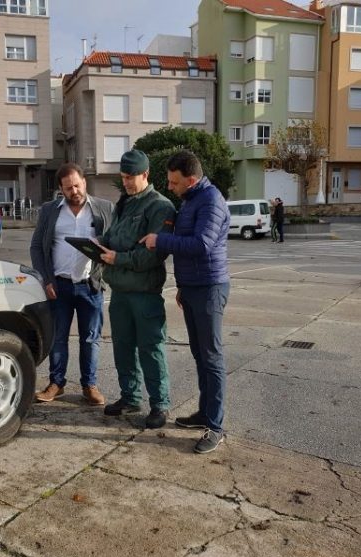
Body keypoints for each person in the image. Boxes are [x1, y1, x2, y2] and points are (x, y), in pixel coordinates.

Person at [140, 150, 230, 454]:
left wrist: (159, 240)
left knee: (212, 357)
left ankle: (215, 426)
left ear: (191, 180)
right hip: (193, 287)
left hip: (209, 288)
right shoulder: (192, 199)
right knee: (200, 355)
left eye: (174, 182)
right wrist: (182, 285)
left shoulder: (211, 200)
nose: (170, 187)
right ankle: (204, 413)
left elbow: (201, 245)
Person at [97, 149, 176, 429]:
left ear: (146, 174)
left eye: (131, 177)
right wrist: (97, 245)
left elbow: (152, 255)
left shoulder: (161, 206)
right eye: (123, 177)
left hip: (144, 294)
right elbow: (113, 237)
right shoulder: (125, 204)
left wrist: (119, 258)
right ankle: (130, 397)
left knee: (150, 349)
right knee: (123, 348)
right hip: (119, 292)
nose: (127, 183)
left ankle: (160, 404)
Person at [30, 162, 114, 406]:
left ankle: (89, 385)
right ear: (61, 189)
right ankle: (57, 384)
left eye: (77, 185)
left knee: (90, 339)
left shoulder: (104, 208)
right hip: (59, 286)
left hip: (90, 286)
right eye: (68, 188)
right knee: (58, 338)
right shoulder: (49, 211)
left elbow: (113, 242)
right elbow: (37, 247)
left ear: (84, 182)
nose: (74, 191)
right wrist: (46, 279)